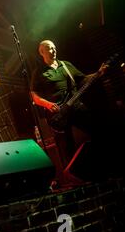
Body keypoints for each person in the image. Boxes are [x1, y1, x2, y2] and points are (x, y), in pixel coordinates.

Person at [30, 40, 108, 185]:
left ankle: (97, 169)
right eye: (49, 49)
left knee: (98, 130)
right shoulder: (38, 72)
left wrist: (98, 74)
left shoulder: (66, 65)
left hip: (76, 106)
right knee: (67, 145)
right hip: (58, 113)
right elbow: (33, 95)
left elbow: (83, 79)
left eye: (54, 48)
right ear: (42, 52)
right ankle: (73, 177)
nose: (53, 51)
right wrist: (47, 104)